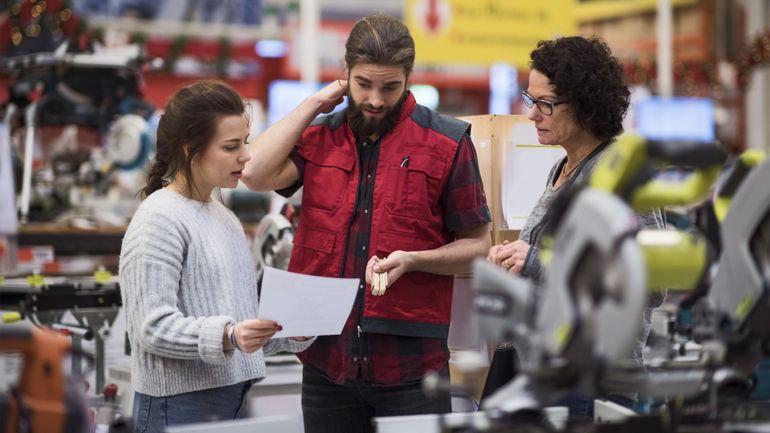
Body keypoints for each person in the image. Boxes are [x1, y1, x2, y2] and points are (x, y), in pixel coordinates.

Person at [241, 13, 491, 433]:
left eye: (390, 86)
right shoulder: (320, 136)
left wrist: (414, 259)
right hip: (327, 363)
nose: (375, 99)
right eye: (363, 84)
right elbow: (255, 172)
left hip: (412, 369)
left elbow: (478, 245)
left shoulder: (447, 143)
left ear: (408, 78)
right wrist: (314, 104)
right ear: (346, 75)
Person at [486, 36, 666, 419]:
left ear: (585, 105)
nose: (533, 114)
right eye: (531, 100)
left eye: (546, 104)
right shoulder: (562, 169)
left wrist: (535, 260)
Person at [119, 80, 314, 433]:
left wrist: (290, 332)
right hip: (177, 407)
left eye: (245, 143)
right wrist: (227, 335)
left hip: (232, 401)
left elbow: (240, 326)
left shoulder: (224, 218)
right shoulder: (158, 219)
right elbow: (151, 327)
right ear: (190, 149)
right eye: (230, 146)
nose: (245, 156)